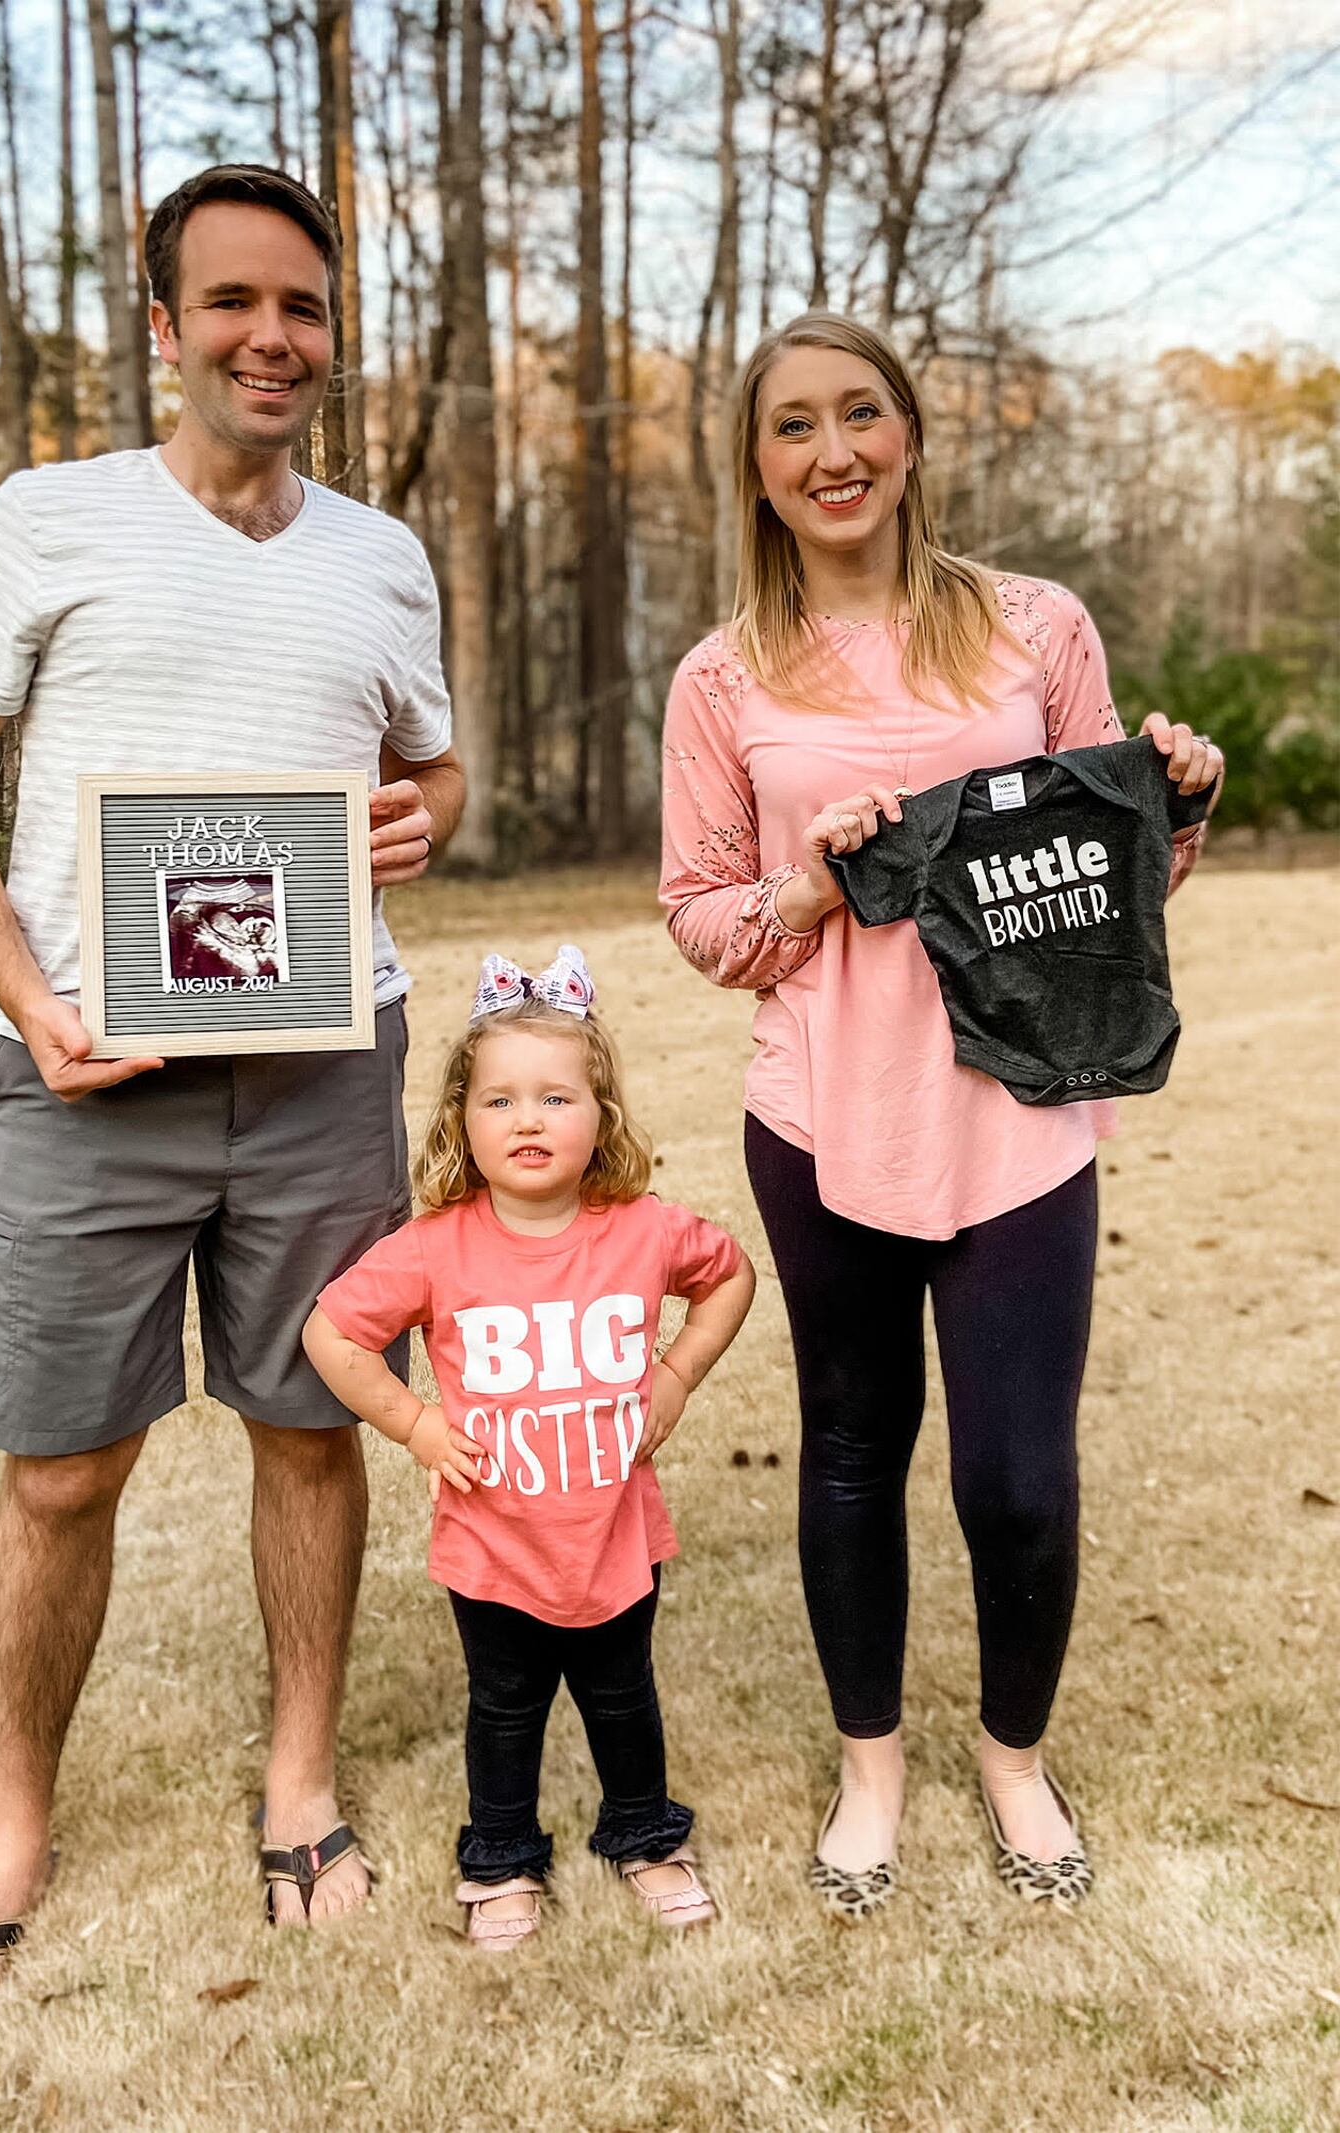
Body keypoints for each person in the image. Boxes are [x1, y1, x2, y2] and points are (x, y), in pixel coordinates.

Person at [0, 164, 465, 2026]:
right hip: (86, 1075)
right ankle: (10, 1840)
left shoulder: (381, 554)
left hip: (321, 1069)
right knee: (60, 1468)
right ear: (165, 325)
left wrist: (420, 820)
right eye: (231, 304)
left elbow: (435, 780)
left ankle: (301, 1787)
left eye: (300, 307)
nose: (269, 337)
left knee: (312, 1429)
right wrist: (33, 1005)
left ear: (330, 332)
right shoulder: (44, 524)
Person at [659, 312, 1224, 1916]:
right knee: (850, 1448)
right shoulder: (723, 677)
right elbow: (703, 921)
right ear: (758, 472)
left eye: (861, 416)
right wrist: (814, 886)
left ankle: (1015, 1759)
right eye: (793, 430)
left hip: (1018, 1113)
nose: (831, 452)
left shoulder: (1035, 628)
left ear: (909, 434)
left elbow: (1109, 880)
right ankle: (870, 1772)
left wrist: (1175, 806)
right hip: (826, 1109)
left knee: (1017, 1478)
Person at [302, 948, 755, 1947]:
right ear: (463, 1121)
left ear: (603, 1117)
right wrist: (417, 1423)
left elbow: (730, 1277)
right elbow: (331, 1332)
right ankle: (501, 1859)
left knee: (621, 1694)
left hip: (614, 1535)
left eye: (557, 1097)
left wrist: (673, 1376)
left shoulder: (643, 1232)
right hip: (492, 1545)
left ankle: (643, 1832)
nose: (530, 1120)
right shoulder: (435, 1247)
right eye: (500, 1101)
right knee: (504, 1706)